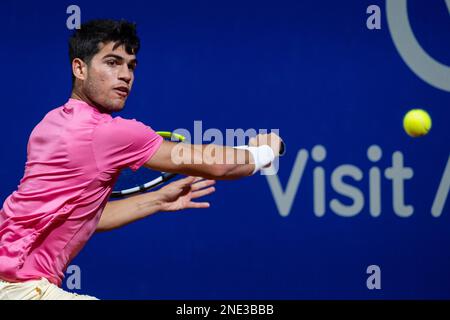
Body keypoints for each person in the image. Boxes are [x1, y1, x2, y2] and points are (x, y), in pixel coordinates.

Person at [0, 19, 283, 300]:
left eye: (131, 66)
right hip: (21, 287)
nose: (125, 75)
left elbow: (79, 217)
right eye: (112, 62)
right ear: (79, 68)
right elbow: (217, 164)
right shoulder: (112, 133)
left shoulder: (48, 125)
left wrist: (157, 200)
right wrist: (263, 152)